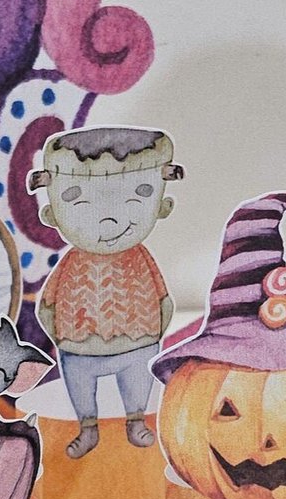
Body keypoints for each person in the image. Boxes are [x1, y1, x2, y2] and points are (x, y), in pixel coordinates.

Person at [30, 126, 181, 458]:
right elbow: (48, 304)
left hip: (138, 339)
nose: (109, 220)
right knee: (80, 383)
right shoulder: (71, 263)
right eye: (77, 199)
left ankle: (136, 420)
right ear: (51, 214)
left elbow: (162, 297)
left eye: (139, 193)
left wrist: (158, 325)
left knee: (137, 377)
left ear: (162, 205)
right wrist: (60, 334)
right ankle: (88, 427)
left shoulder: (141, 257)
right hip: (78, 345)